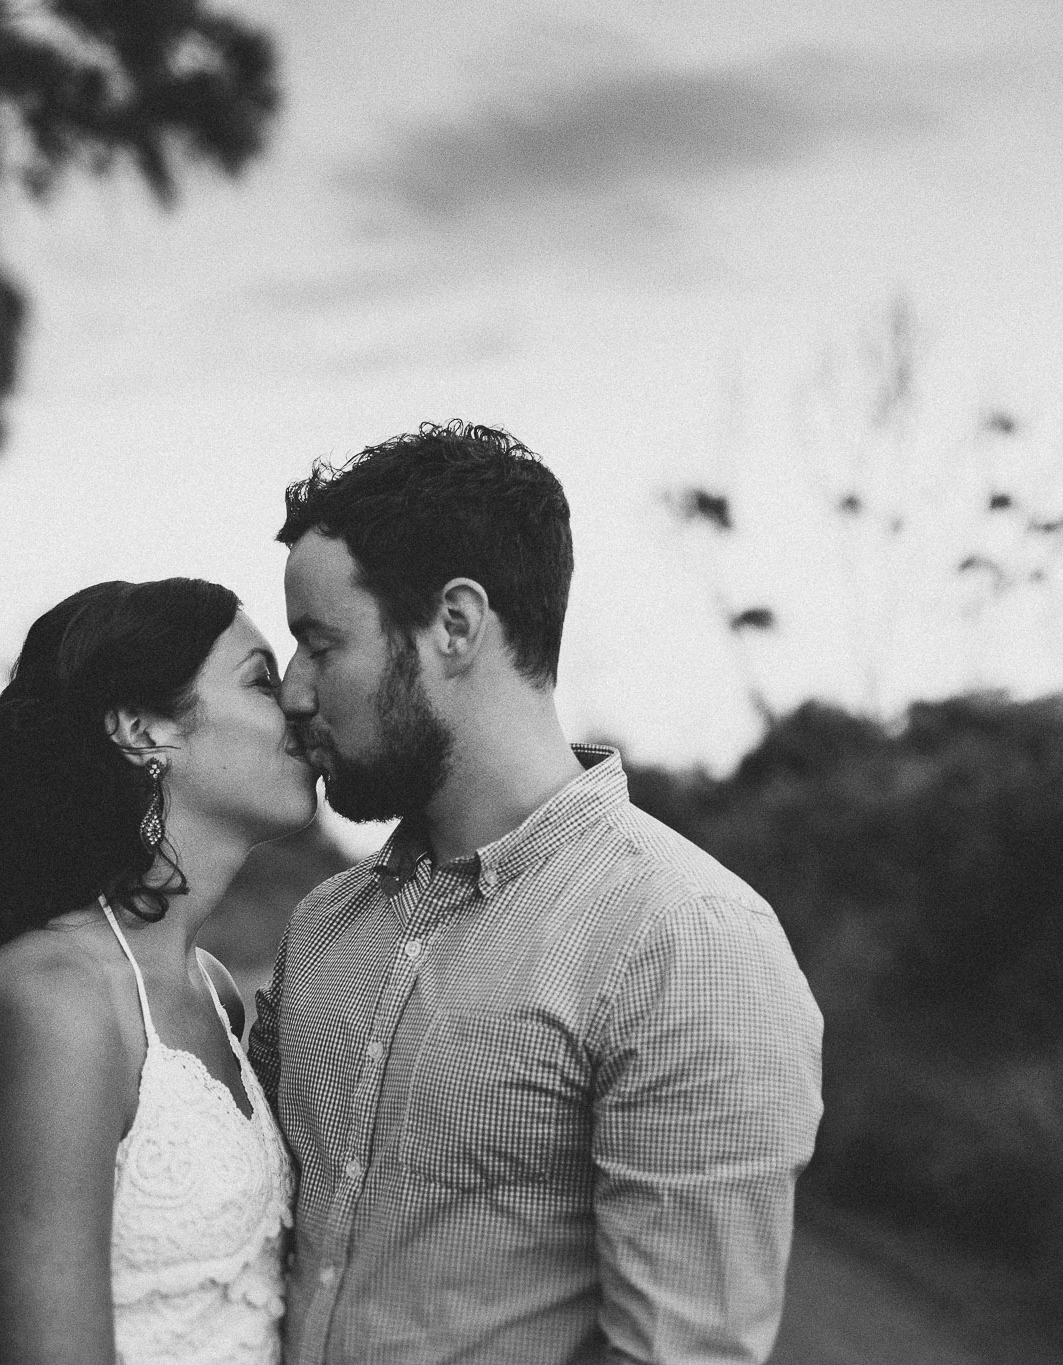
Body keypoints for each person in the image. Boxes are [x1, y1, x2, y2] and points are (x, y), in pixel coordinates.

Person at [250, 421, 824, 1364]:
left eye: (321, 644)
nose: (297, 692)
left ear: (456, 624)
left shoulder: (686, 939)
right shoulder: (321, 927)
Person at [0, 578, 316, 1365]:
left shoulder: (213, 989)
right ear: (142, 728)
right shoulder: (57, 998)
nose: (300, 704)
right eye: (261, 680)